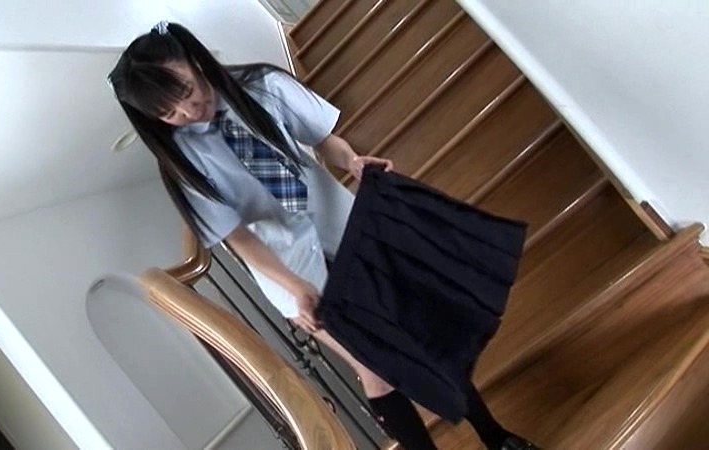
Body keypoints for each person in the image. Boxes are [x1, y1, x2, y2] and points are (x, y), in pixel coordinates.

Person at [108, 21, 537, 450]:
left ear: (193, 59)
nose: (188, 112)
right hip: (291, 271)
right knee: (373, 369)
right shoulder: (182, 161)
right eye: (169, 113)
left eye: (185, 92)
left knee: (425, 336)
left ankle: (497, 438)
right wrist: (295, 287)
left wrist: (352, 162)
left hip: (351, 232)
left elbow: (323, 140)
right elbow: (240, 239)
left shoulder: (263, 86)